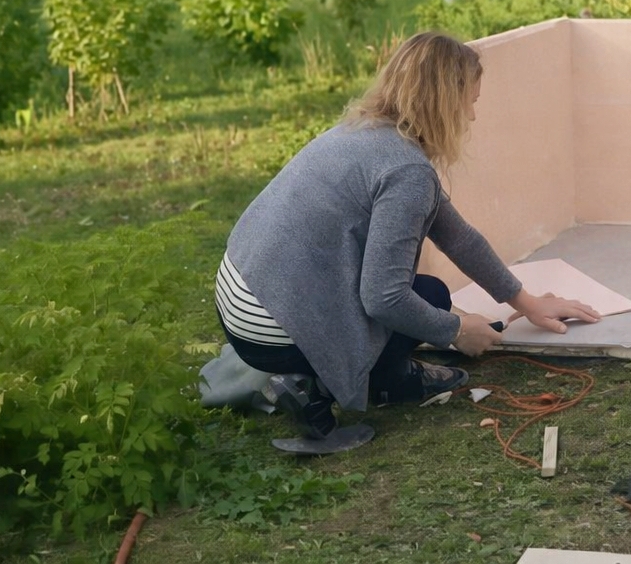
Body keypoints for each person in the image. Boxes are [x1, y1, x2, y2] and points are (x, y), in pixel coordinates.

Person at [214, 31, 601, 438]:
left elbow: (458, 237)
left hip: (240, 303)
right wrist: (457, 331)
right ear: (444, 103)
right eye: (470, 103)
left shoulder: (362, 131)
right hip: (274, 330)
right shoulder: (406, 172)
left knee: (426, 296)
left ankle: (353, 374)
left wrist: (526, 301)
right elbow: (383, 298)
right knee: (430, 298)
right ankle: (323, 387)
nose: (471, 117)